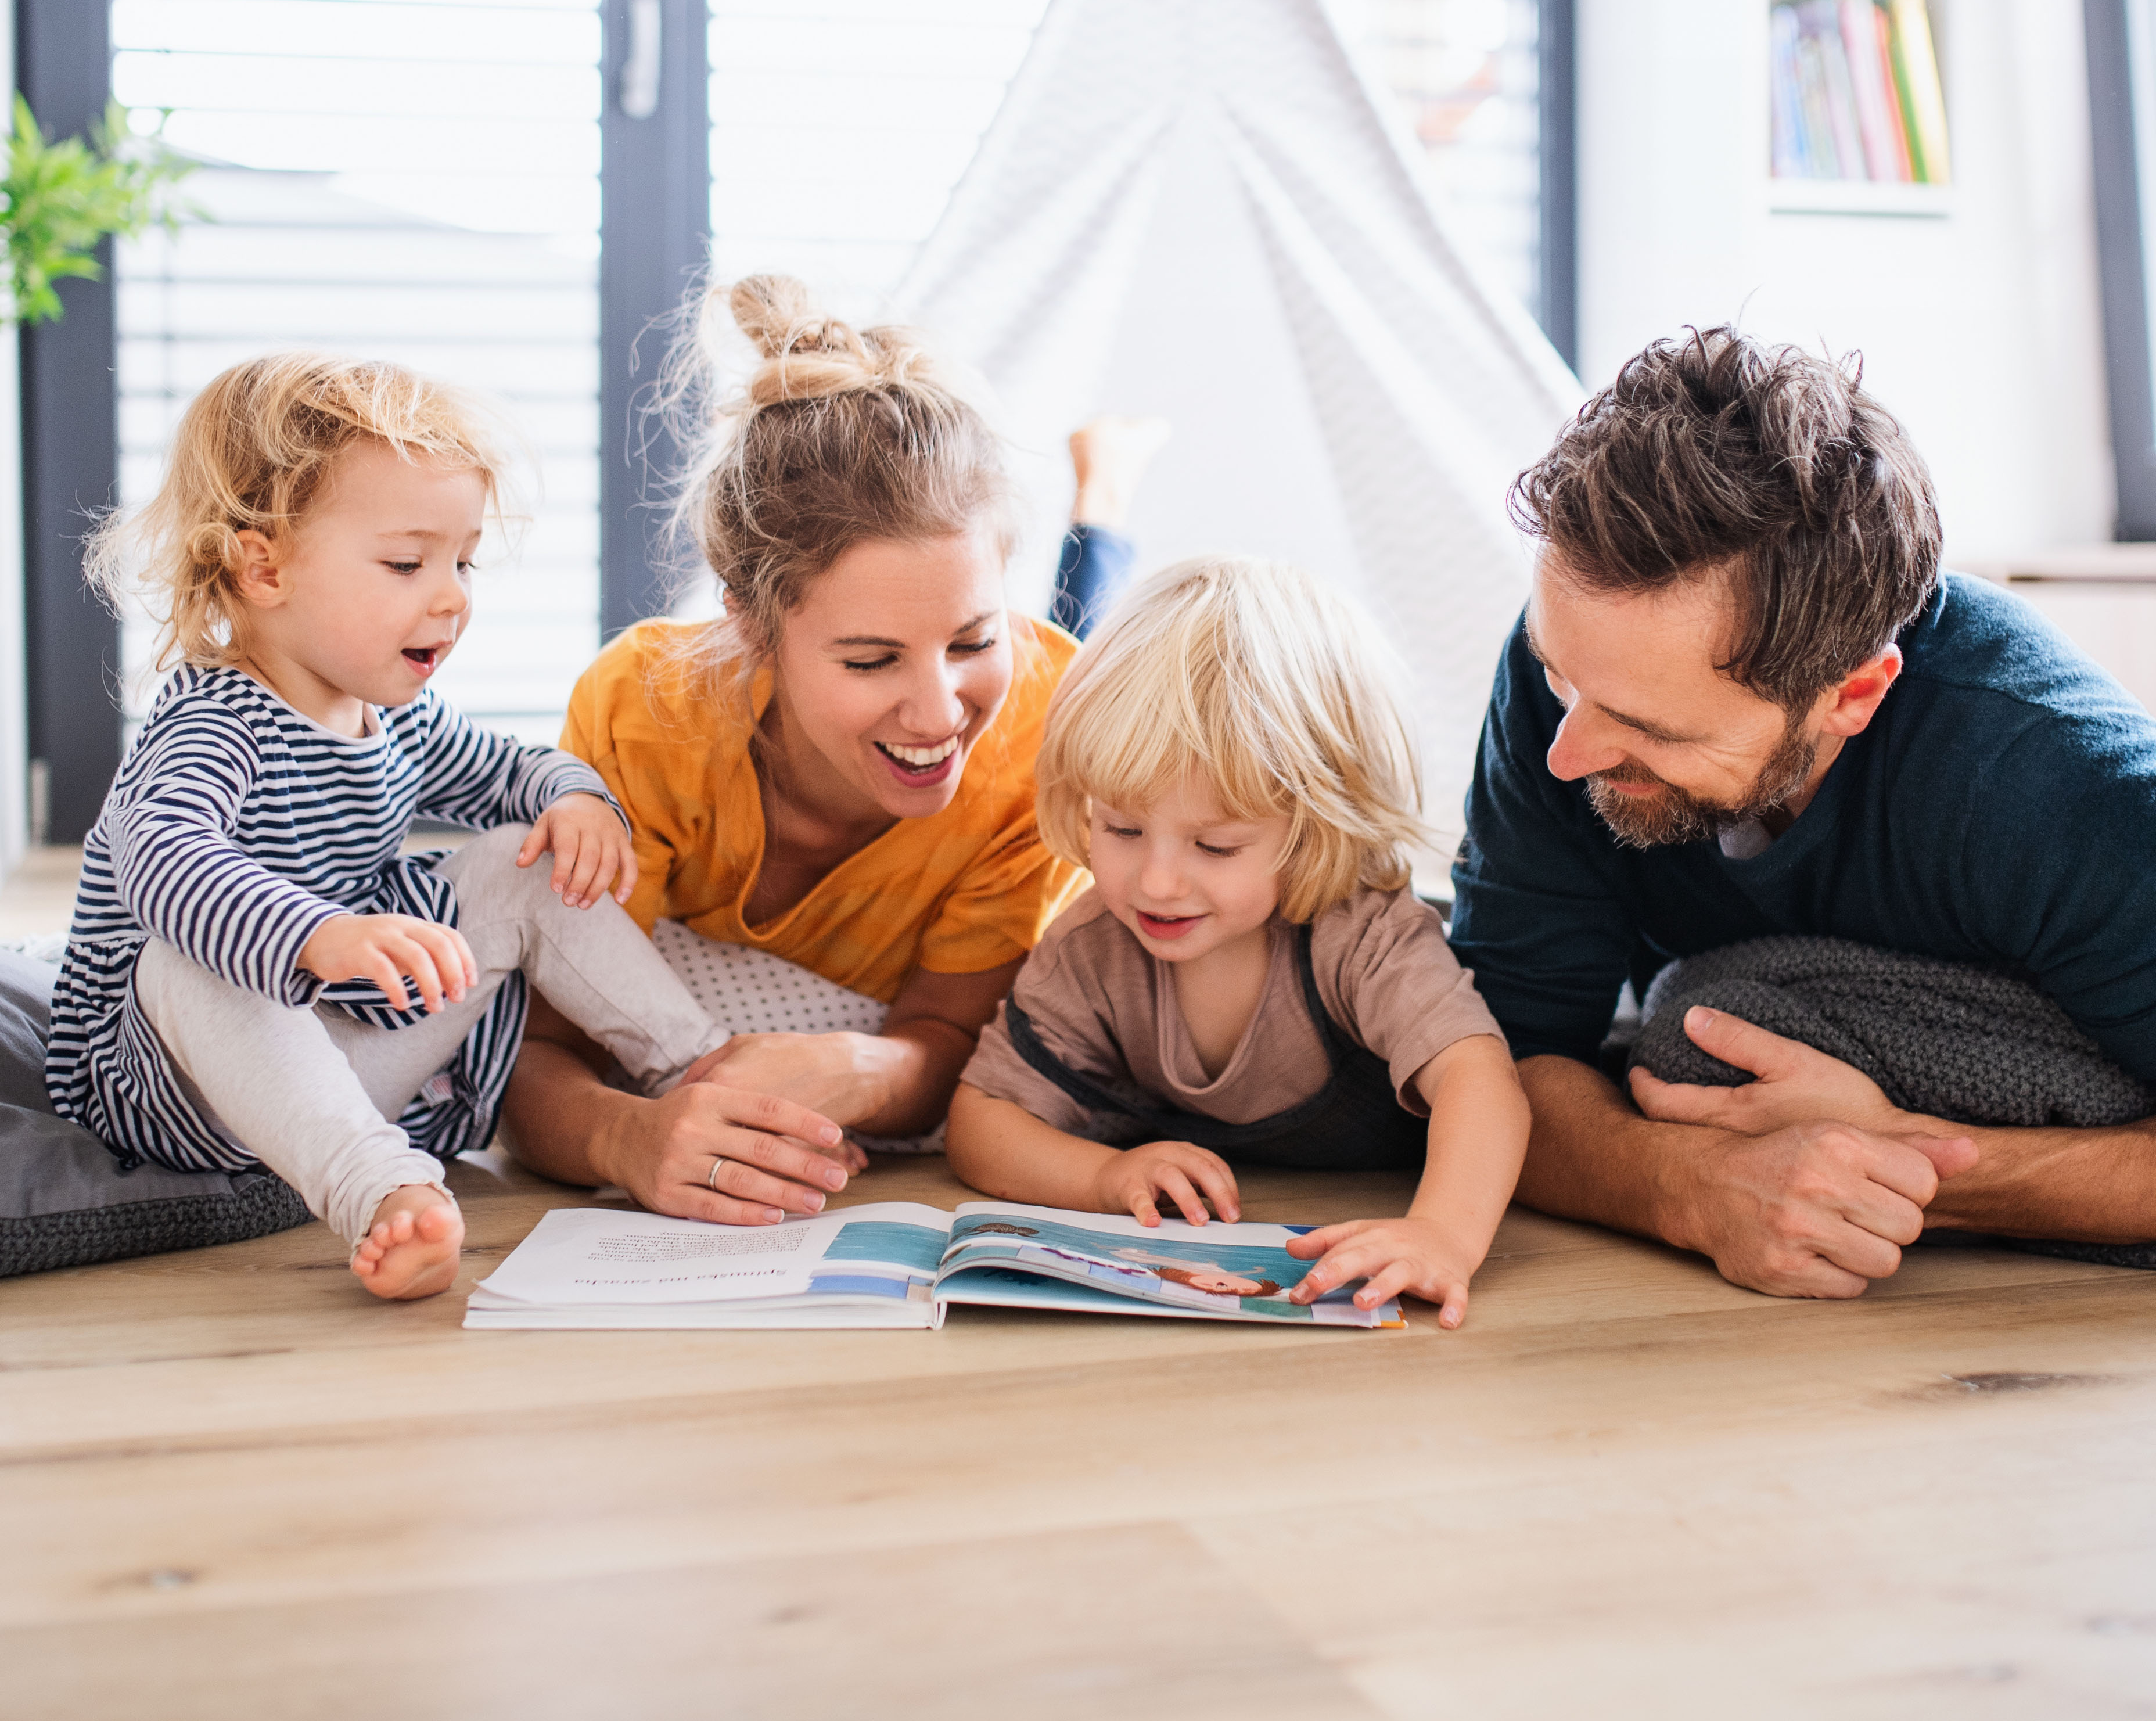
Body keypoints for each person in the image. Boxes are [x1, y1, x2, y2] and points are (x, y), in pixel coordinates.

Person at [44, 355, 804, 1300]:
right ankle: (381, 1187)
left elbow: (512, 768)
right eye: (408, 564)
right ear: (263, 565)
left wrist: (574, 799)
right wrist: (317, 935)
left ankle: (698, 1067)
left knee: (517, 860)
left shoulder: (394, 717)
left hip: (342, 1054)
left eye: (462, 560)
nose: (451, 597)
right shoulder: (213, 726)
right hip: (180, 1088)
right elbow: (162, 863)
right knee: (181, 956)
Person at [1448, 326, 2156, 1299]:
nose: (1567, 755)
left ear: (1853, 696)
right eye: (1560, 678)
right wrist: (1685, 1188)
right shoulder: (1577, 677)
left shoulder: (2059, 784)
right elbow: (1495, 1062)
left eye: (1651, 728)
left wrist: (1912, 1171)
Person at [499, 276, 1102, 1221]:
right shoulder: (647, 712)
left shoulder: (1041, 729)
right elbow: (533, 1050)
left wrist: (864, 1066)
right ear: (751, 625)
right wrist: (626, 1138)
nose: (940, 711)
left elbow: (956, 1036)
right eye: (871, 661)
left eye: (976, 642)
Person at [944, 556, 1529, 1325]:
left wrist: (1441, 1235)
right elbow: (981, 1121)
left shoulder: (1361, 933)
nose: (1155, 882)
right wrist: (1106, 1176)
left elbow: (1483, 1083)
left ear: (1315, 830)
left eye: (1214, 847)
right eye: (1121, 828)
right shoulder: (1092, 945)